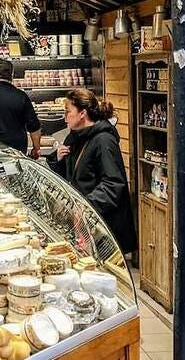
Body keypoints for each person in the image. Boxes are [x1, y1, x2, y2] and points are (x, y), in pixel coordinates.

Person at [47, 89, 137, 254]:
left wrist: (86, 205)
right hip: (84, 221)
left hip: (103, 225)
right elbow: (73, 174)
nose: (65, 117)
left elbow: (113, 184)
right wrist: (58, 159)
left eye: (68, 112)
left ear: (82, 113)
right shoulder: (75, 137)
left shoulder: (104, 141)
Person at [0, 60, 42, 158]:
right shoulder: (21, 96)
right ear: (12, 75)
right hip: (15, 152)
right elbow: (34, 127)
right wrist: (36, 149)